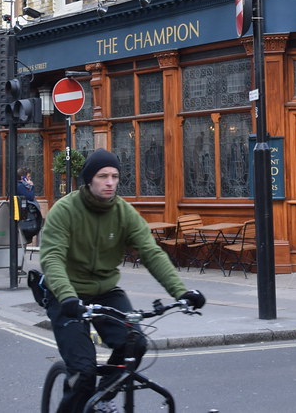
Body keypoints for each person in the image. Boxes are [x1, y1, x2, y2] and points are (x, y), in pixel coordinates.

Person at [39, 149, 205, 413]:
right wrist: (68, 297)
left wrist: (182, 293)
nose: (110, 182)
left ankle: (103, 396)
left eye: (115, 176)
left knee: (135, 343)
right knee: (83, 372)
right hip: (66, 294)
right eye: (103, 176)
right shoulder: (65, 211)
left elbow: (151, 253)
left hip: (105, 291)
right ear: (88, 180)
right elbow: (52, 258)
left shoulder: (124, 212)